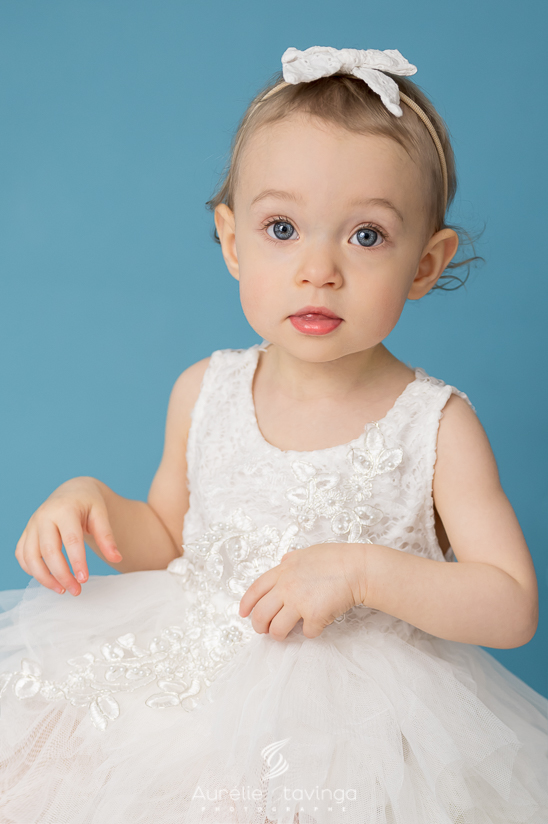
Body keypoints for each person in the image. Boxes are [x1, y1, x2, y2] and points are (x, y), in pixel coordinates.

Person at [0, 44, 546, 824]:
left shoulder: (435, 425)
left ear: (427, 264)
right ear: (232, 241)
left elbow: (510, 602)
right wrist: (91, 503)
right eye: (283, 228)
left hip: (356, 735)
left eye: (366, 236)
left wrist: (364, 574)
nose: (318, 269)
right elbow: (168, 537)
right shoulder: (206, 390)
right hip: (194, 702)